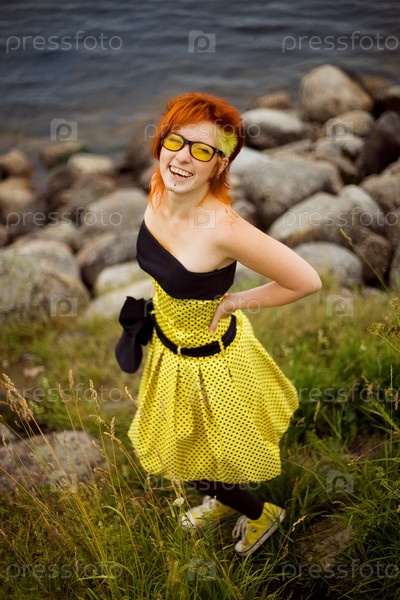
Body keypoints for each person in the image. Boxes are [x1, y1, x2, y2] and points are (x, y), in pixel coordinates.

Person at [127, 91, 322, 557]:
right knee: (194, 449)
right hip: (169, 347)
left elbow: (306, 280)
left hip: (208, 364)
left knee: (192, 457)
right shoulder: (160, 187)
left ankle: (261, 514)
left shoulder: (225, 229)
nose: (182, 157)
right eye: (176, 140)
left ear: (219, 164)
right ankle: (220, 501)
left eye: (202, 150)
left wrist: (237, 301)